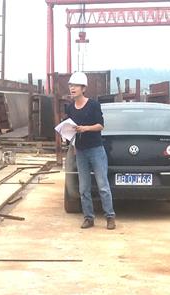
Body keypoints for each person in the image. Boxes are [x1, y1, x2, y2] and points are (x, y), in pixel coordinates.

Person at [65, 71, 116, 230]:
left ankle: (110, 217)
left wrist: (85, 128)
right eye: (71, 86)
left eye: (76, 86)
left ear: (83, 88)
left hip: (96, 150)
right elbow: (71, 130)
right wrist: (74, 146)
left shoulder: (93, 105)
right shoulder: (70, 108)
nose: (72, 88)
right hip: (80, 151)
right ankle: (88, 218)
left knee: (102, 185)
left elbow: (100, 125)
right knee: (84, 188)